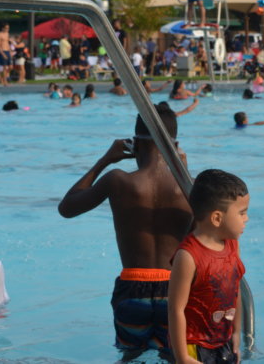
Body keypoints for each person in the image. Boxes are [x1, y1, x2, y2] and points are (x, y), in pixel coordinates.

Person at [58, 103, 192, 356]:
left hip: (132, 289)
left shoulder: (117, 179)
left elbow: (67, 208)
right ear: (175, 147)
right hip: (176, 289)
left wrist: (105, 160)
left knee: (130, 356)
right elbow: (201, 236)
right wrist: (183, 171)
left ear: (135, 146)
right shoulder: (191, 188)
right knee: (176, 357)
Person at [168, 169, 248, 364]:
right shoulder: (188, 256)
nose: (246, 219)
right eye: (242, 213)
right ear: (217, 218)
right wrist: (182, 358)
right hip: (194, 346)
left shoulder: (231, 244)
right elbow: (175, 309)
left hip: (224, 339)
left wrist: (237, 332)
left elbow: (234, 288)